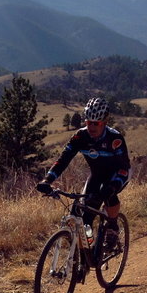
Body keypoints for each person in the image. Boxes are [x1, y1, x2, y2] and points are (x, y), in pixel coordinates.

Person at [36, 97, 130, 249]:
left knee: (108, 193)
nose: (91, 127)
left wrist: (113, 186)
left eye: (96, 123)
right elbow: (63, 160)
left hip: (117, 174)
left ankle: (112, 227)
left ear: (105, 122)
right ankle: (88, 251)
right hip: (96, 174)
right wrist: (47, 180)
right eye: (88, 122)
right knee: (85, 219)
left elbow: (124, 168)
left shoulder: (115, 139)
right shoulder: (80, 137)